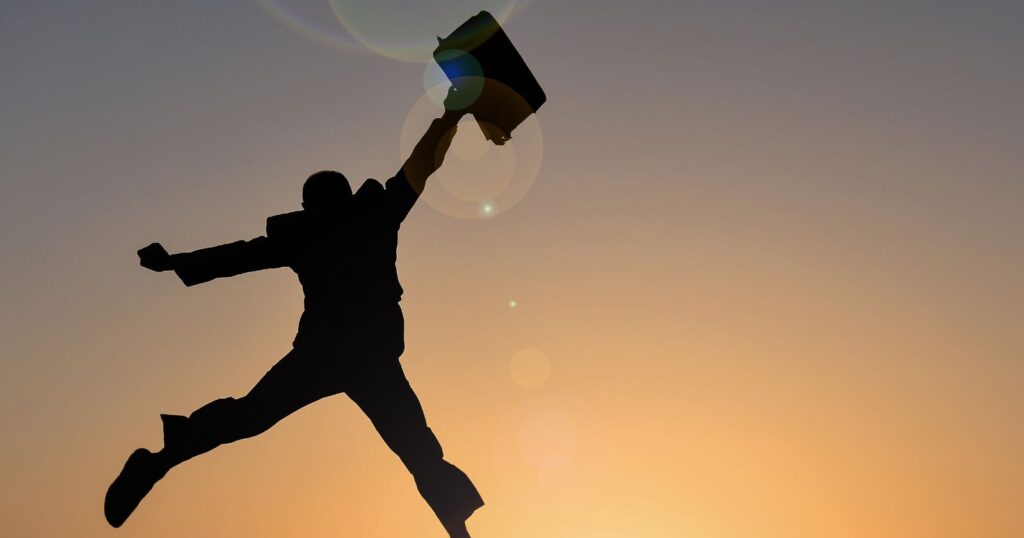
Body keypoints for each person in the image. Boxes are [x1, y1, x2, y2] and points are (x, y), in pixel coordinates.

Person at [105, 88, 483, 538]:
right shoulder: (373, 216)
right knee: (417, 449)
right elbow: (422, 164)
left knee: (258, 416)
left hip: (332, 356)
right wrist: (450, 115)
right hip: (359, 357)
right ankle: (159, 460)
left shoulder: (327, 229)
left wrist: (176, 262)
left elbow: (238, 256)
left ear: (311, 207)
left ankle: (161, 459)